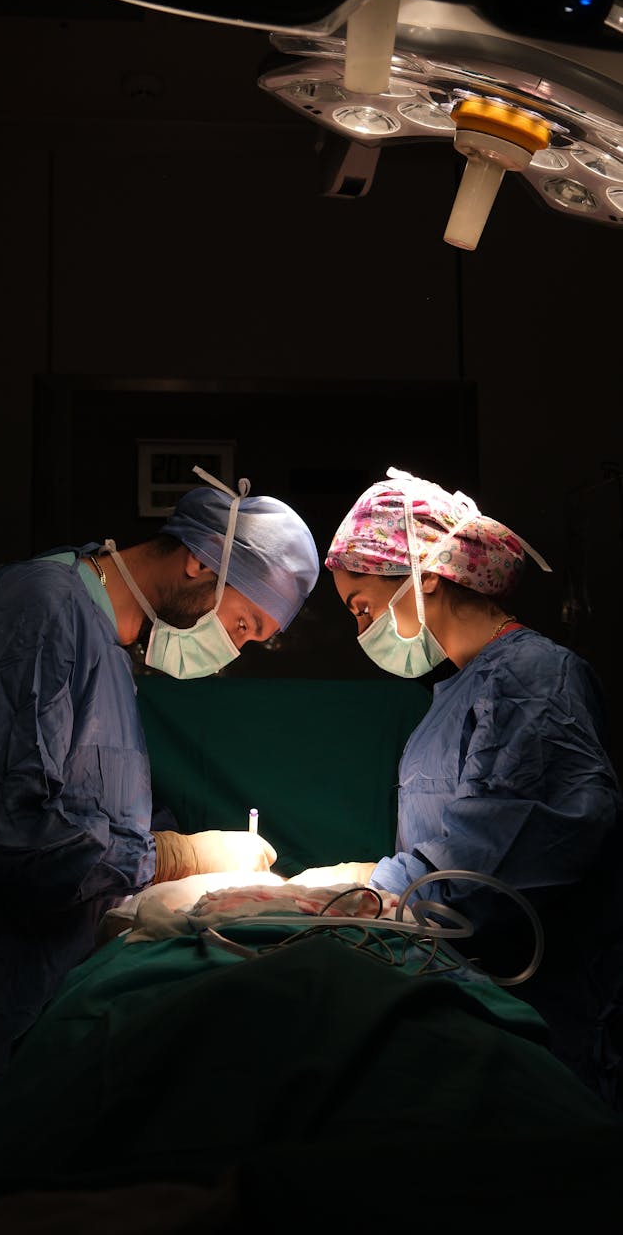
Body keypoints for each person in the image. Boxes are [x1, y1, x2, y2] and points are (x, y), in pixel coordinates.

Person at [0, 465, 319, 1177]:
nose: (235, 647)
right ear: (200, 560)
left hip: (33, 996)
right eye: (242, 624)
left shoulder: (108, 645)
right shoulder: (39, 609)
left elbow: (95, 805)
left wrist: (179, 857)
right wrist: (167, 857)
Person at [312, 465, 623, 1110]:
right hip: (476, 1003)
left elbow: (498, 867)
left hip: (541, 1019)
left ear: (425, 575)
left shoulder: (533, 681)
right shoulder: (457, 691)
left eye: (363, 606)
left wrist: (375, 893)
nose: (362, 629)